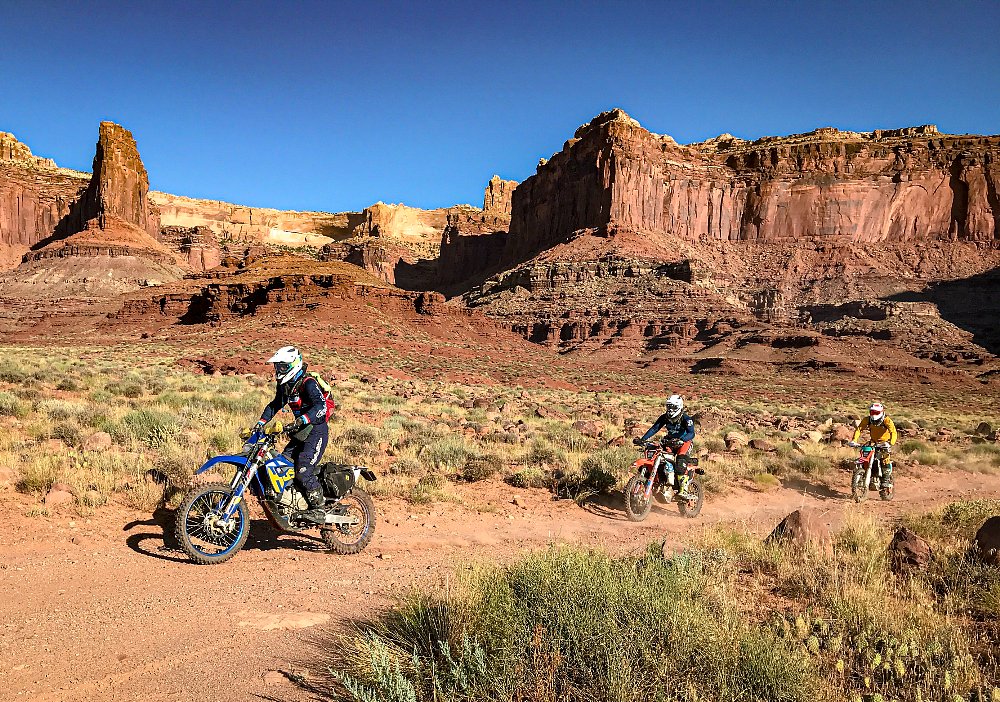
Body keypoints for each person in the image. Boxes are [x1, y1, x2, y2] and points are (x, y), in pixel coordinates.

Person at [255, 346, 331, 525]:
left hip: (316, 431)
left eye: (282, 366)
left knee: (303, 469)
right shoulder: (286, 386)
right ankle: (294, 505)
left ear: (293, 365)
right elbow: (275, 405)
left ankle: (319, 508)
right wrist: (260, 423)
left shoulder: (308, 383)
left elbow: (321, 407)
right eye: (277, 367)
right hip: (301, 432)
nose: (278, 370)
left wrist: (302, 419)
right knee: (283, 466)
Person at [633, 394, 696, 496]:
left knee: (680, 462)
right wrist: (642, 440)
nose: (670, 409)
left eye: (673, 407)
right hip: (670, 442)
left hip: (684, 442)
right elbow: (654, 428)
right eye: (669, 406)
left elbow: (692, 433)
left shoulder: (686, 419)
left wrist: (681, 440)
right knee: (660, 458)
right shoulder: (664, 417)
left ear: (679, 406)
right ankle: (661, 482)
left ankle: (683, 490)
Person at [849, 402, 898, 489]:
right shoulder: (867, 420)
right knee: (865, 455)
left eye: (876, 412)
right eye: (872, 412)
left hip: (885, 443)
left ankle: (885, 480)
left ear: (881, 412)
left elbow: (893, 432)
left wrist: (890, 443)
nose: (874, 414)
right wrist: (854, 440)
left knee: (884, 459)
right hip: (873, 442)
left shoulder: (887, 420)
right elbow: (859, 429)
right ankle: (863, 475)